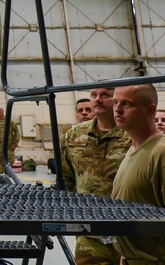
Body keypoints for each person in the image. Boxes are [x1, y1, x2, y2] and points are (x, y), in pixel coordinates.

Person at [111, 85, 165, 265]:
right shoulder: (134, 149)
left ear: (149, 110)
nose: (118, 109)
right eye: (115, 102)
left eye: (127, 104)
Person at [61, 87, 131, 265]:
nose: (98, 100)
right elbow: (66, 179)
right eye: (94, 96)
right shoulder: (74, 135)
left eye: (105, 95)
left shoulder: (132, 133)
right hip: (88, 229)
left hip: (128, 227)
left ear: (116, 101)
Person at [0, 107, 20, 172]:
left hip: (9, 148)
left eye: (0, 110)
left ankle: (8, 182)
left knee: (9, 168)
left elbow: (16, 132)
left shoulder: (9, 121)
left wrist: (15, 144)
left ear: (3, 111)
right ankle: (0, 181)